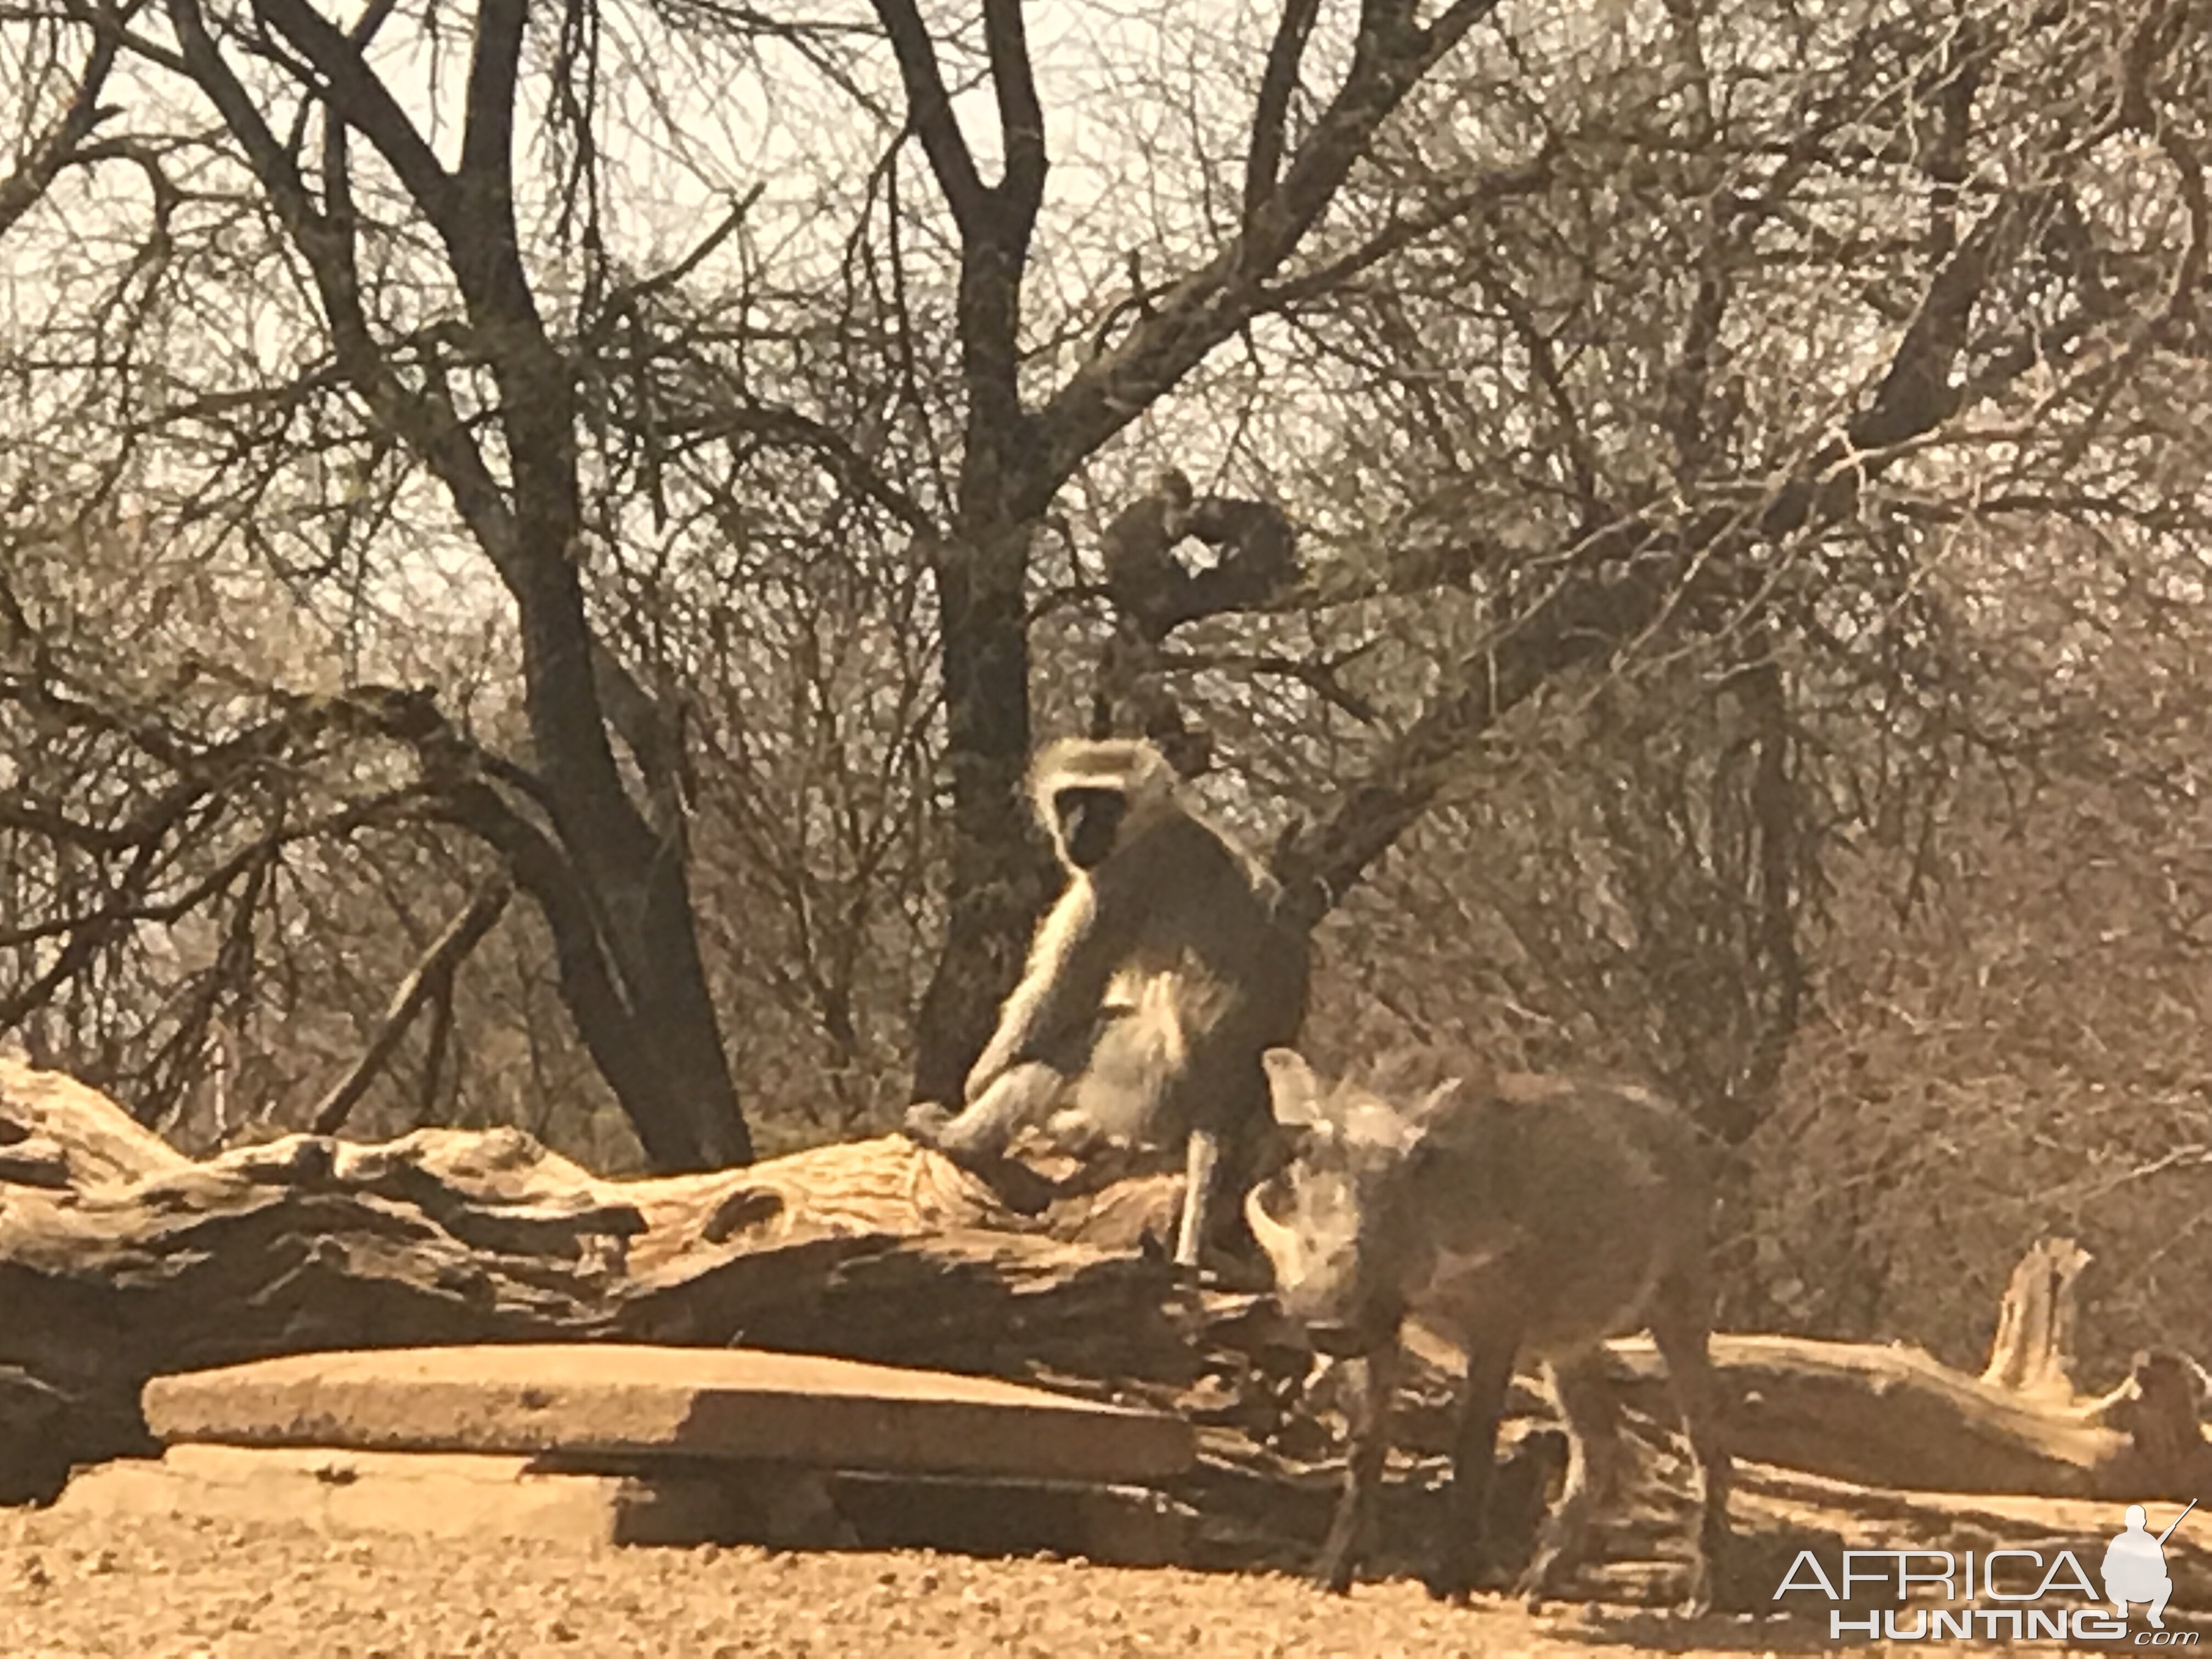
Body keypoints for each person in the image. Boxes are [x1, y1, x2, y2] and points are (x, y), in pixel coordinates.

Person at [2102, 1501, 2192, 1628]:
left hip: (2143, 1589)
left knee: (2166, 1584)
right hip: (2122, 1589)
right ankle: (2122, 1607)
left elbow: (2162, 1571)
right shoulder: (2119, 1541)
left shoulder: (2150, 1542)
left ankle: (2154, 1615)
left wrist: (2146, 1568)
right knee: (2111, 1583)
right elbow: (2106, 1569)